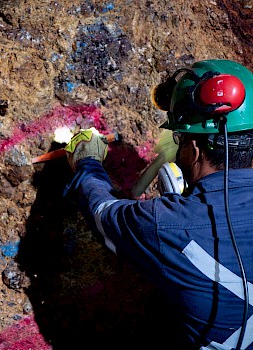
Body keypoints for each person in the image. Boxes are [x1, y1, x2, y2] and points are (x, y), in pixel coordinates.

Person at [64, 59, 253, 350]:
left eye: (179, 138)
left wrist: (87, 162)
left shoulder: (165, 224)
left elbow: (102, 213)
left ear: (193, 148)